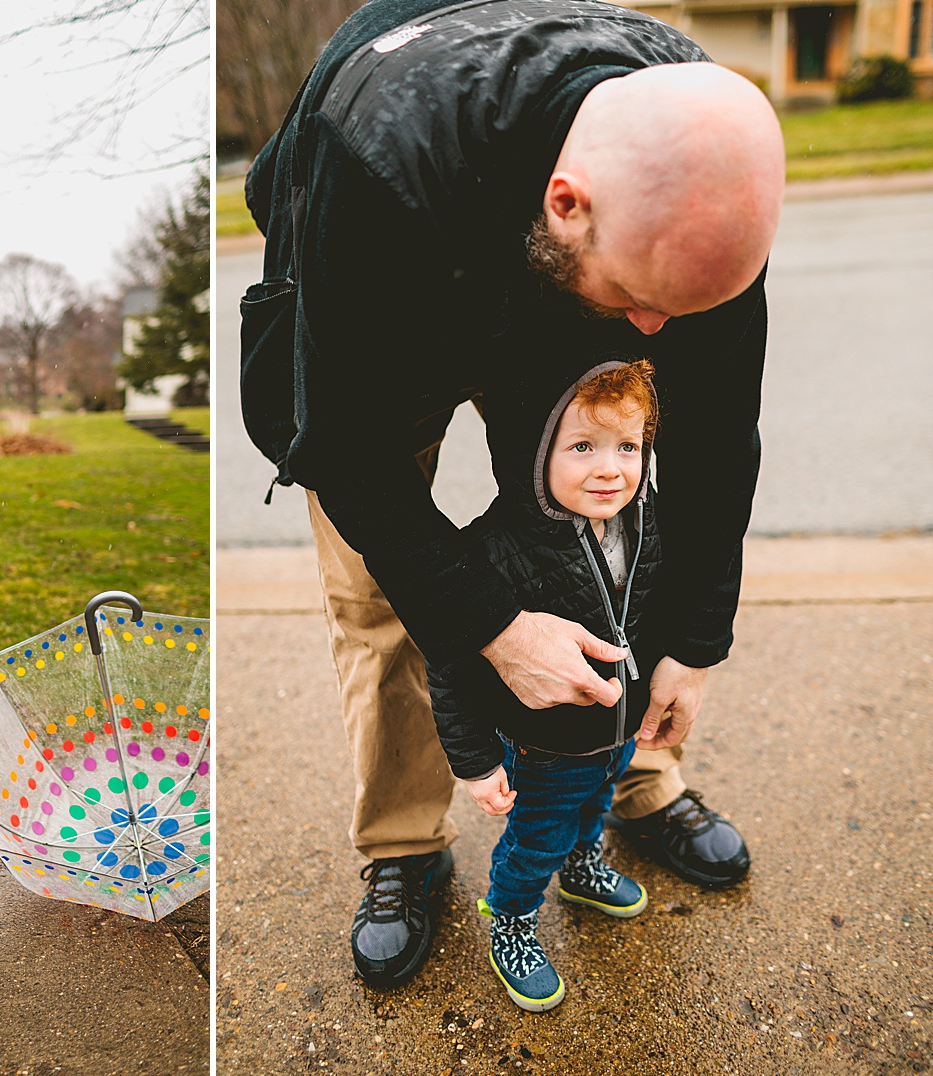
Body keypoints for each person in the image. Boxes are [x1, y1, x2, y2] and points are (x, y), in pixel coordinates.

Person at [239, 0, 784, 989]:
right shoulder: (373, 158)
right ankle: (403, 842)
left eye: (684, 305)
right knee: (379, 590)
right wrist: (488, 620)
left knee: (605, 517)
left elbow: (712, 439)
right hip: (393, 299)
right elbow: (346, 454)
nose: (656, 326)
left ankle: (634, 775)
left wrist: (698, 638)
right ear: (569, 202)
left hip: (549, 268)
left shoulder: (696, 156)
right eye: (643, 295)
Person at [445, 359, 662, 1011]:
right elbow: (449, 664)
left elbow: (661, 613)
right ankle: (510, 919)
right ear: (538, 450)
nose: (610, 468)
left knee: (596, 808)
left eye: (628, 446)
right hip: (544, 749)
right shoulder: (495, 549)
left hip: (617, 734)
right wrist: (477, 762)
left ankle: (584, 865)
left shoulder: (646, 524)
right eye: (583, 447)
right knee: (536, 840)